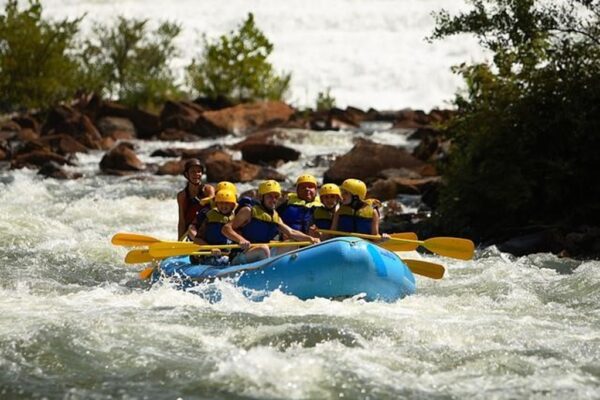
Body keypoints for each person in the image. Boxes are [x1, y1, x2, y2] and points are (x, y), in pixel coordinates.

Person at [222, 180, 320, 265]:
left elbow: (291, 232)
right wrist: (240, 240)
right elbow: (226, 229)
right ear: (261, 197)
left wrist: (310, 238)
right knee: (263, 249)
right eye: (269, 196)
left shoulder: (275, 215)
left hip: (263, 254)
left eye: (276, 197)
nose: (273, 200)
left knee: (292, 243)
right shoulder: (248, 211)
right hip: (242, 254)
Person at [192, 189, 237, 266]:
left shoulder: (236, 218)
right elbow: (197, 240)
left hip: (227, 255)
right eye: (221, 203)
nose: (224, 206)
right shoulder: (210, 218)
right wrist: (211, 248)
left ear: (232, 205)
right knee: (222, 261)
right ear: (216, 204)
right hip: (209, 255)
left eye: (227, 203)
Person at [177, 159, 215, 240]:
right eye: (193, 172)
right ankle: (199, 243)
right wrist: (179, 241)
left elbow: (213, 200)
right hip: (192, 229)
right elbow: (182, 221)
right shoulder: (182, 195)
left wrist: (206, 200)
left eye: (199, 171)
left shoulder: (208, 189)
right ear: (187, 174)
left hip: (208, 226)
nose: (196, 174)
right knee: (191, 229)